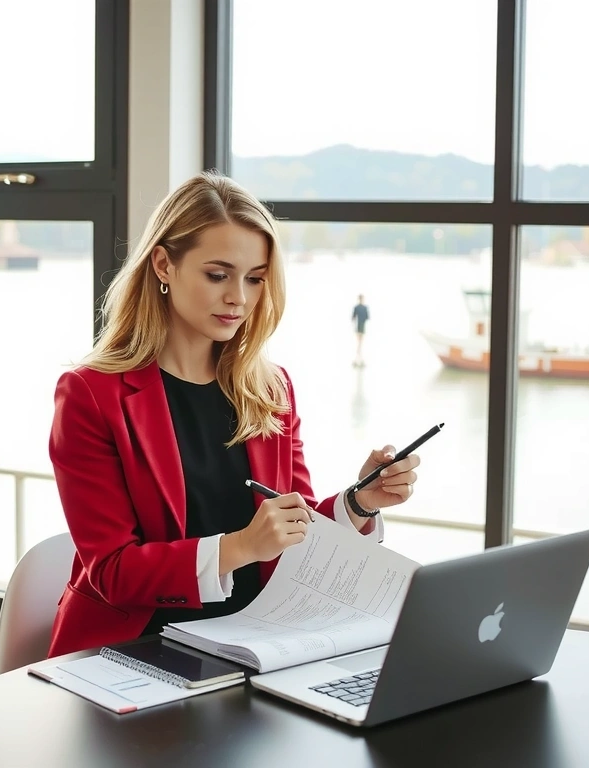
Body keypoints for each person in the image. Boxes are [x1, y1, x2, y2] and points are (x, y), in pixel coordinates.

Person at [46, 172, 422, 658]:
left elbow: (294, 524)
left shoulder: (270, 388)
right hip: (130, 652)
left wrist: (359, 502)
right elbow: (113, 571)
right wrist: (241, 546)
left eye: (255, 278)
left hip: (255, 645)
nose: (239, 298)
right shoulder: (90, 395)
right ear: (163, 264)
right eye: (218, 274)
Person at [352, 294, 370, 367]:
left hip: (360, 327)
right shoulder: (361, 308)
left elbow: (353, 317)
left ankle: (358, 359)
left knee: (359, 344)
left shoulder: (360, 307)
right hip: (360, 327)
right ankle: (359, 359)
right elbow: (367, 317)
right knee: (359, 343)